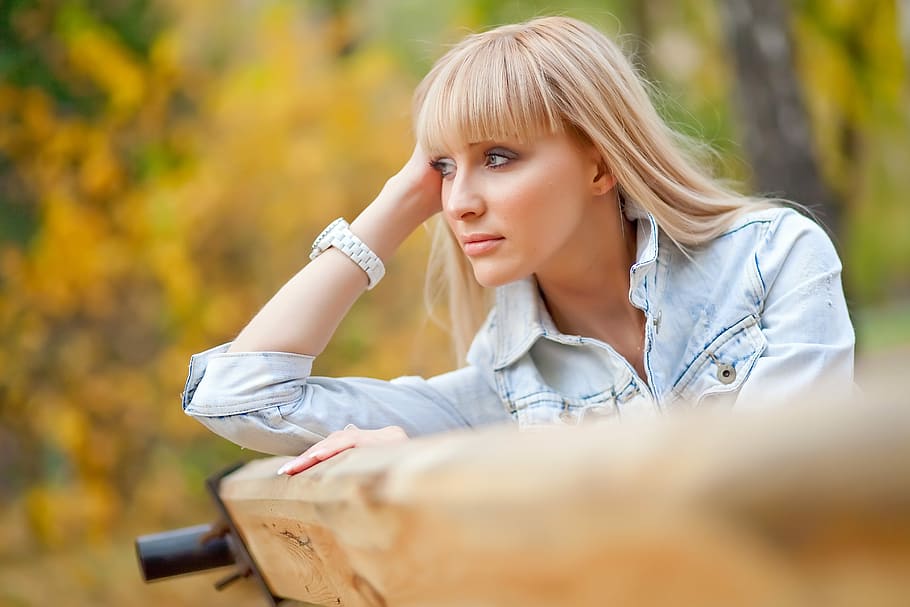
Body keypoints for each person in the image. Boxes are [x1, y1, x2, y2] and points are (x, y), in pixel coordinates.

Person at [182, 16, 855, 475]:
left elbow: (769, 498)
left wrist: (453, 465)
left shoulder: (774, 261)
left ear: (599, 164)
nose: (456, 201)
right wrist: (390, 207)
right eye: (442, 168)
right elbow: (241, 395)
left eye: (498, 156)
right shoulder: (501, 389)